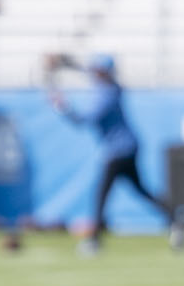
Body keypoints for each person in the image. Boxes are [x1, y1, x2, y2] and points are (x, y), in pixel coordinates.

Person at [44, 52, 166, 252]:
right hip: (125, 147)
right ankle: (174, 216)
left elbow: (84, 120)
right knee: (139, 189)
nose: (95, 72)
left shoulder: (107, 94)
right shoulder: (108, 85)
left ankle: (94, 238)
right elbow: (86, 71)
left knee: (102, 194)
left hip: (119, 149)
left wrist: (62, 107)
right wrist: (65, 62)